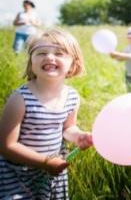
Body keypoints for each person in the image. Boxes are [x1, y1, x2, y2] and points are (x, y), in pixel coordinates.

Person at [0, 28, 93, 198]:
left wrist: (78, 136)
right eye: (41, 53)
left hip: (51, 173)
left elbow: (68, 128)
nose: (49, 57)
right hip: (19, 174)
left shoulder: (72, 97)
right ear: (31, 62)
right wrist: (45, 162)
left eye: (59, 53)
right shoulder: (20, 98)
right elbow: (6, 146)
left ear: (74, 64)